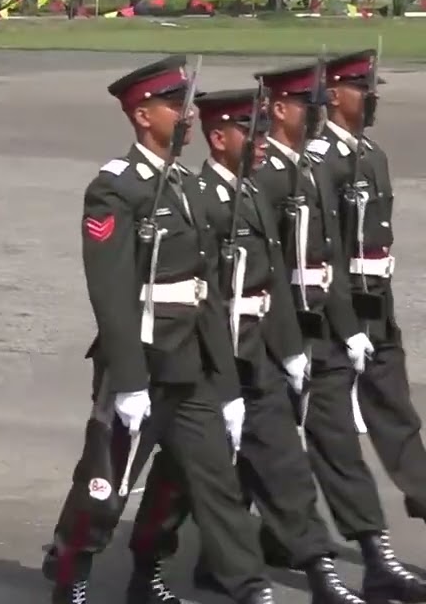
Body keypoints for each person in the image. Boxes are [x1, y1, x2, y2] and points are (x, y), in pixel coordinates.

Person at [42, 56, 275, 604]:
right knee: (105, 488)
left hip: (191, 364)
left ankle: (238, 586)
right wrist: (127, 379)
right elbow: (111, 291)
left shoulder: (190, 188)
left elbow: (208, 291)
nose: (187, 115)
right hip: (142, 363)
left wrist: (227, 385)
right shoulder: (115, 189)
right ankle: (72, 575)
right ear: (143, 115)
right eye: (176, 105)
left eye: (188, 104)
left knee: (206, 484)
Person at [125, 88, 365, 603]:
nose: (260, 142)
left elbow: (273, 281)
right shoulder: (200, 195)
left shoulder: (252, 193)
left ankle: (318, 573)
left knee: (284, 465)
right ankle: (149, 566)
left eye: (261, 131)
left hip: (256, 355)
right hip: (208, 360)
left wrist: (291, 349)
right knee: (183, 482)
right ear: (218, 138)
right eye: (248, 132)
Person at [250, 59, 426, 601]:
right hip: (281, 331)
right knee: (238, 452)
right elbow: (277, 266)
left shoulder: (354, 159)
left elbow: (338, 259)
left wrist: (353, 327)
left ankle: (373, 556)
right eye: (358, 90)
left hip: (346, 316)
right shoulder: (286, 171)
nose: (367, 99)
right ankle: (204, 552)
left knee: (337, 440)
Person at [308, 50, 426, 525]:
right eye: (360, 88)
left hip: (378, 302)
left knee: (395, 409)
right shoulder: (321, 161)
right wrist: (345, 321)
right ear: (333, 96)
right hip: (336, 310)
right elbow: (325, 252)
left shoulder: (371, 155)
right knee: (297, 426)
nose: (371, 96)